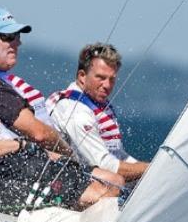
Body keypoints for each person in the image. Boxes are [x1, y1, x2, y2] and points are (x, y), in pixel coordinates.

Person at [0, 48, 122, 214]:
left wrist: (58, 156)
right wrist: (21, 145)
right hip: (0, 179)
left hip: (25, 165)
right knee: (99, 194)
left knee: (114, 181)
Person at [0, 8, 73, 156]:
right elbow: (39, 134)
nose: (18, 43)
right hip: (34, 165)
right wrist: (71, 156)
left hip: (46, 161)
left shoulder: (2, 79)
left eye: (17, 36)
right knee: (110, 178)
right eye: (8, 36)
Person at [47, 43, 149, 182]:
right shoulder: (76, 111)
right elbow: (104, 165)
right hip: (59, 183)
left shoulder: (97, 104)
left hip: (87, 176)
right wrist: (148, 169)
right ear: (82, 76)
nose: (107, 85)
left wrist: (154, 169)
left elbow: (117, 155)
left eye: (112, 79)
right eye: (100, 77)